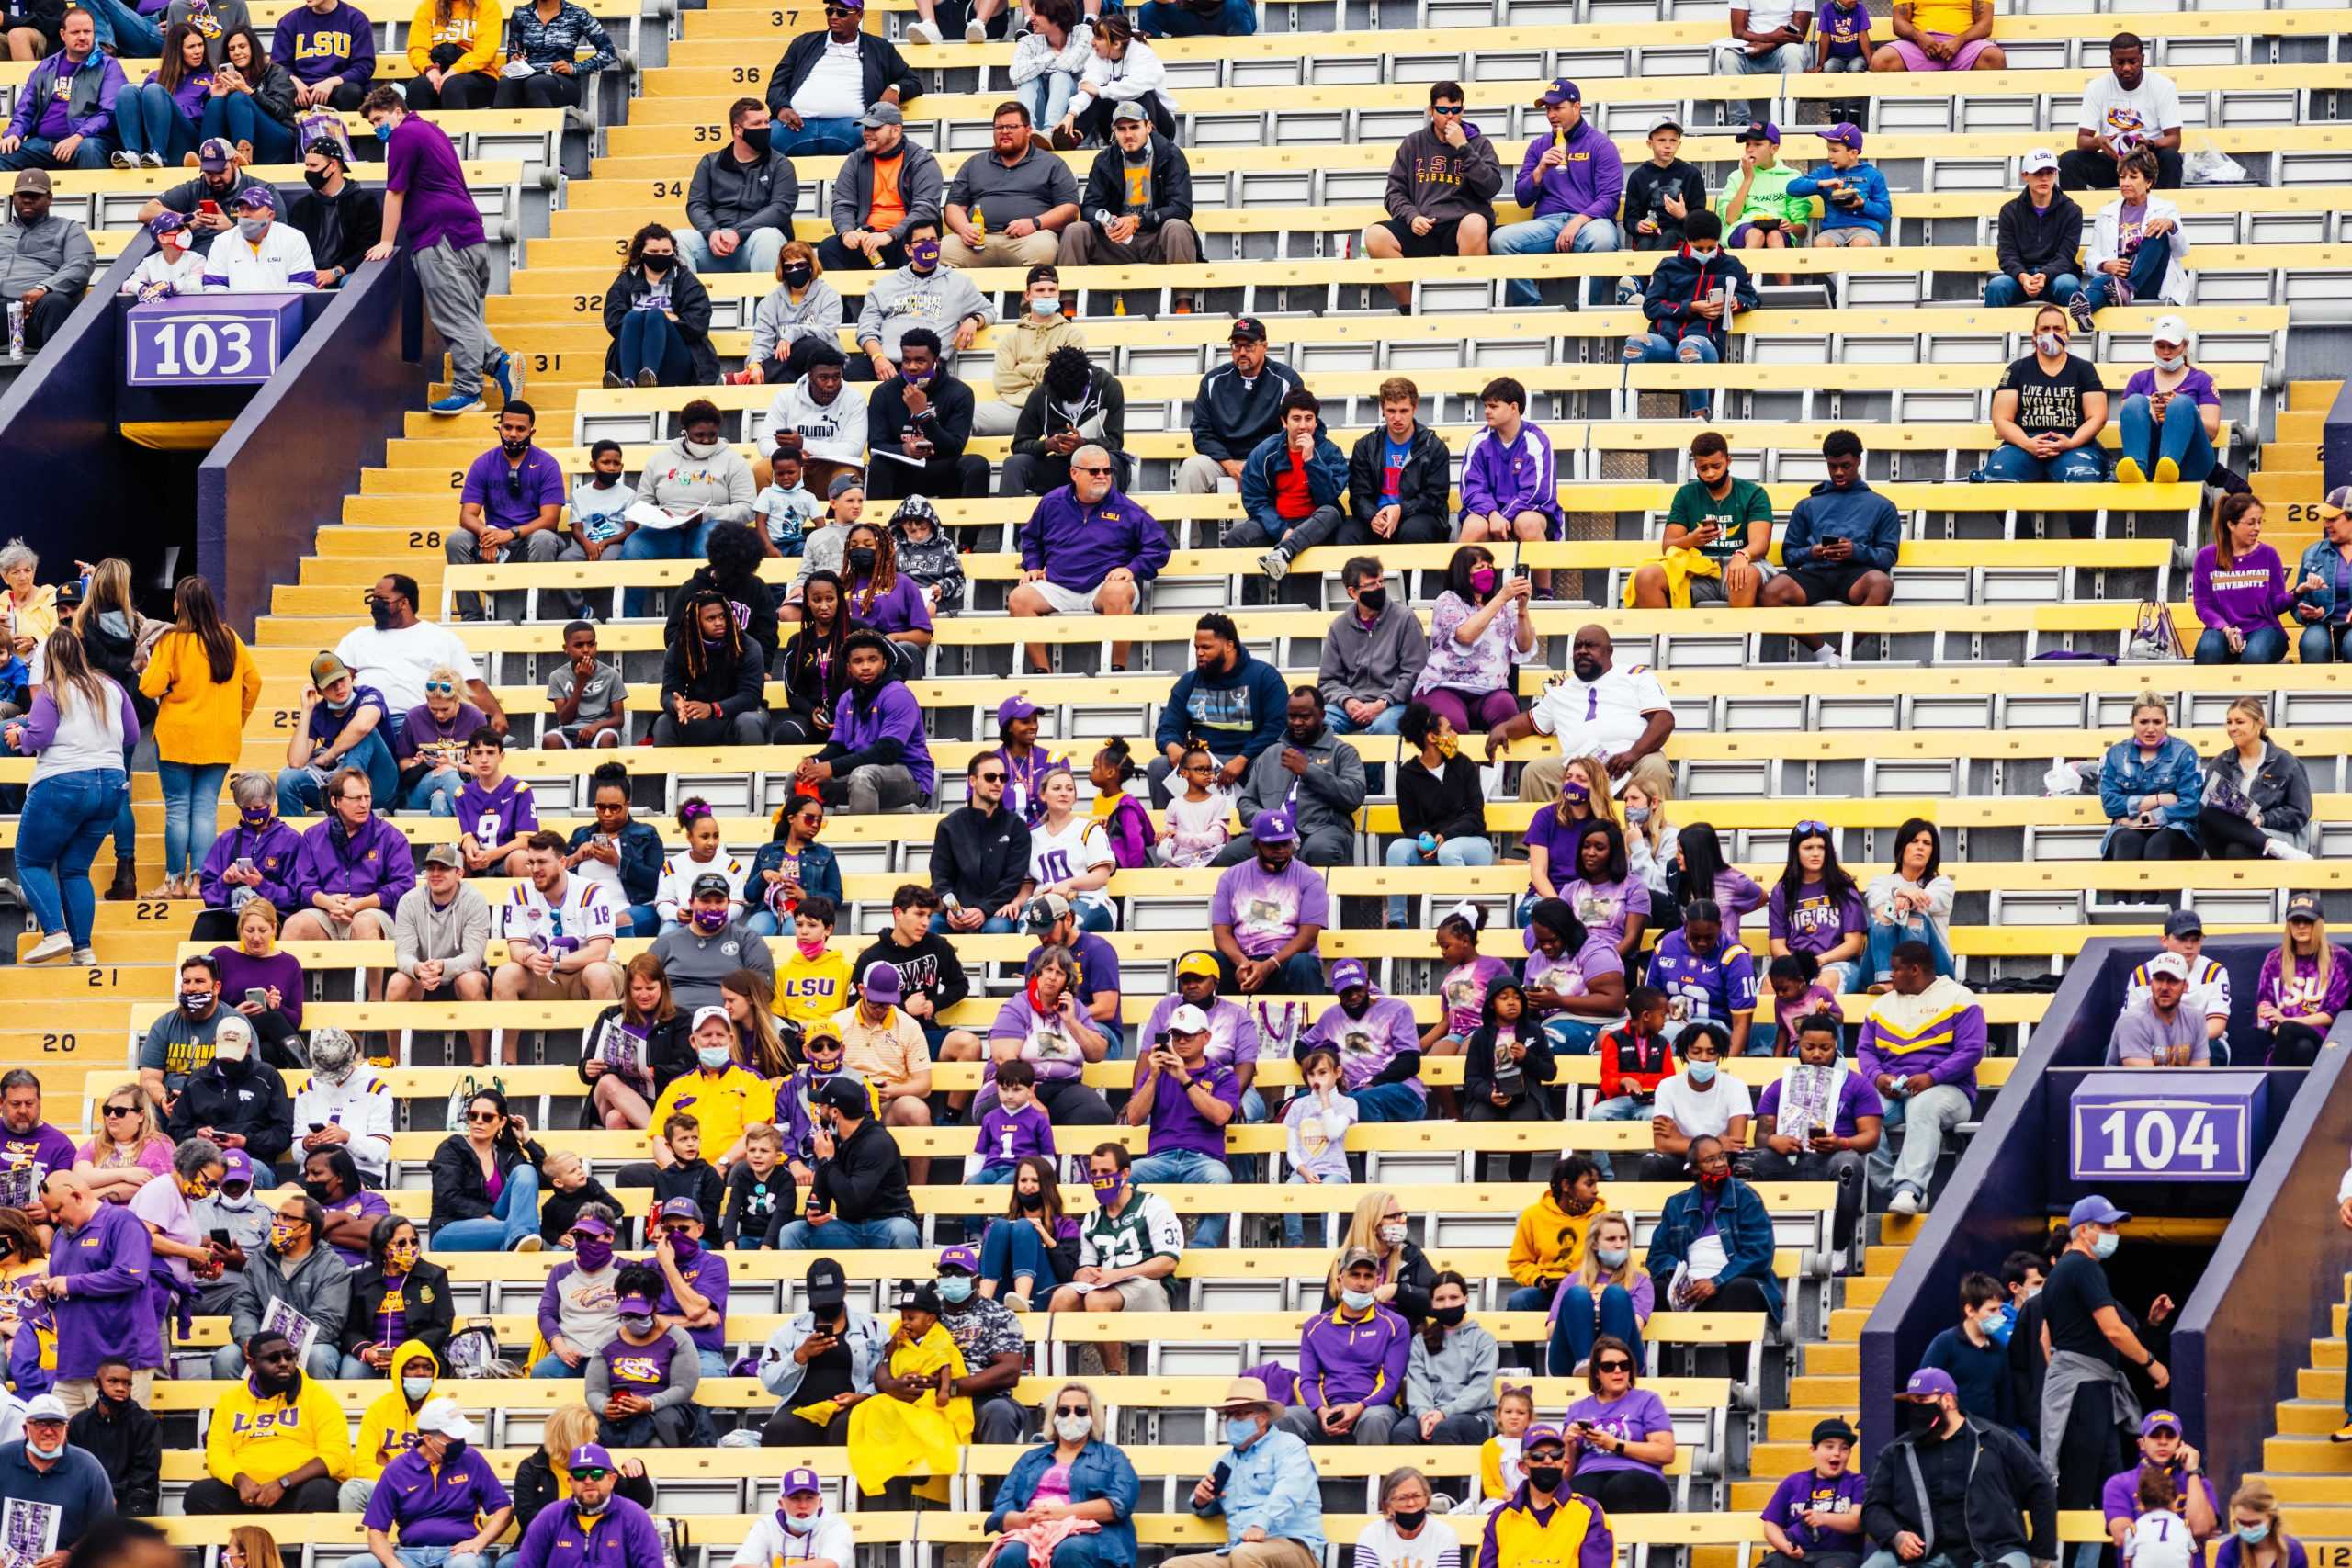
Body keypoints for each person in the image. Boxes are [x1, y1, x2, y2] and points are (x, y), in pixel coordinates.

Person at [361, 88, 520, 418]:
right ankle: (499, 363)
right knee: (466, 313)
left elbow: (395, 192)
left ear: (396, 110)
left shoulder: (404, 135)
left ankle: (467, 390)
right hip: (469, 235)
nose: (377, 127)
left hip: (440, 238)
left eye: (378, 119)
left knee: (454, 317)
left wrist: (387, 241)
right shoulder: (432, 129)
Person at [7, 630, 132, 966]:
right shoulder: (110, 686)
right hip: (111, 784)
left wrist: (22, 736)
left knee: (31, 862)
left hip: (62, 782)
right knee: (76, 870)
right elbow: (132, 734)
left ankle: (55, 933)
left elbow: (41, 735)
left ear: (48, 660)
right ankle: (82, 948)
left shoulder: (52, 690)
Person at [1863, 1368, 2055, 1568]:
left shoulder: (1996, 1440)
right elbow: (1872, 1506)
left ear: (1948, 1400)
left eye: (1921, 1400)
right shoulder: (1896, 1452)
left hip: (1992, 1553)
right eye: (1911, 1402)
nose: (1915, 1408)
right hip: (1922, 1556)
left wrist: (2041, 1552)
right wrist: (1896, 1535)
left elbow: (2041, 1487)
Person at [1012, 447, 1168, 674]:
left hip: (1102, 587)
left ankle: (1117, 669)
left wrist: (1132, 569)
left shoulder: (1126, 508)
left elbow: (1159, 546)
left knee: (1118, 591)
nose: (1102, 476)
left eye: (1107, 470)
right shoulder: (1052, 502)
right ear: (1075, 473)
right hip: (1058, 584)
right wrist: (1033, 566)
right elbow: (1031, 537)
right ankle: (1042, 672)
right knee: (1019, 598)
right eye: (1094, 471)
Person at [1860, 942, 1985, 1214]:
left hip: (1949, 1089)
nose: (1890, 976)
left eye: (1895, 969)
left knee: (1923, 1105)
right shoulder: (1881, 1006)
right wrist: (1878, 1077)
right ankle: (1893, 1186)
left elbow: (1972, 1050)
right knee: (1864, 1113)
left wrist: (1932, 1076)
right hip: (1895, 1089)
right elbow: (1865, 1051)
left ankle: (1910, 1189)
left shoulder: (1959, 998)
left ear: (1914, 970)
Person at [1759, 430, 1900, 662]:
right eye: (1833, 466)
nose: (1839, 472)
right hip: (1814, 573)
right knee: (1770, 593)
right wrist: (1811, 552)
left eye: (1846, 465)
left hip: (1856, 573)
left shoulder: (1882, 506)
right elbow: (1789, 554)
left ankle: (1841, 652)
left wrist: (1855, 550)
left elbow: (1888, 555)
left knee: (1882, 585)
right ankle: (1823, 651)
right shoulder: (1808, 505)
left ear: (1858, 461)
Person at [1362, 81, 1497, 314]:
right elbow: (1394, 192)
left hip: (1460, 225)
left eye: (1455, 111)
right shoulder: (1413, 143)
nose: (1450, 117)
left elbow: (1491, 186)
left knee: (1475, 223)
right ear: (1431, 111)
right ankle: (1411, 307)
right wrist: (1412, 217)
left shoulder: (1478, 144)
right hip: (1422, 225)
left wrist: (1463, 148)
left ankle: (1468, 306)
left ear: (1463, 111)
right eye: (1443, 111)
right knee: (1375, 235)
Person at [186, 1329, 351, 1514]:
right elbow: (217, 1454)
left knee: (322, 1492)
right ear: (253, 1364)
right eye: (273, 1359)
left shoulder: (318, 1396)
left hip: (296, 1489)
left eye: (289, 1357)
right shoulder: (229, 1401)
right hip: (246, 1493)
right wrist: (240, 1481)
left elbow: (337, 1456)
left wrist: (283, 1483)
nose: (284, 1363)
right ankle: (232, 1544)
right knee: (199, 1494)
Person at [33, 1173, 159, 1414]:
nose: (54, 1218)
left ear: (78, 1196)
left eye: (58, 1209)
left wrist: (71, 1284)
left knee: (116, 1444)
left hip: (119, 1361)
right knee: (61, 1444)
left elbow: (130, 1275)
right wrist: (48, 1291)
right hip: (73, 1362)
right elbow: (64, 1290)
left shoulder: (123, 1222)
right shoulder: (61, 1236)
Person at [1160, 1378, 1319, 1568]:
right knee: (1174, 1566)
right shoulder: (1224, 1462)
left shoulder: (1289, 1446)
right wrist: (1201, 1501)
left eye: (1241, 1414)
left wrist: (1262, 1523)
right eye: (1229, 1415)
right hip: (1239, 1551)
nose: (1232, 1421)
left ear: (1263, 1417)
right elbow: (1206, 1505)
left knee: (1245, 1555)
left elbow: (1291, 1489)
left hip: (1294, 1547)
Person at [1491, 78, 1622, 310]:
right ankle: (1533, 308)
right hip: (1548, 224)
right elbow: (1522, 198)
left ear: (1577, 107)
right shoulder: (1539, 146)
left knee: (1603, 240)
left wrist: (1577, 222)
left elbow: (1609, 199)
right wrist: (1539, 171)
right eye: (1548, 109)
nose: (1552, 115)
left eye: (1558, 108)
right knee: (1500, 240)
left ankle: (1584, 308)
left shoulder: (1600, 144)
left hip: (1589, 223)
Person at [1754, 1011, 1881, 1247]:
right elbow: (1760, 1137)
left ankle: (1839, 1245)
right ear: (1798, 1046)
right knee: (1761, 1161)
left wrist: (1842, 1143)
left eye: (1825, 1048)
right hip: (1789, 1160)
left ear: (1836, 1046)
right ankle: (1765, 1242)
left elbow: (1871, 1137)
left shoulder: (1857, 1084)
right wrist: (1774, 1141)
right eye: (1809, 1047)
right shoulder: (1779, 1086)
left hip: (1831, 1160)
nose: (1816, 1054)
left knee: (1849, 1165)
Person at [984, 1381, 1139, 1568]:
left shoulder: (1112, 1456)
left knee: (1071, 1550)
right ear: (1053, 1416)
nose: (1072, 1416)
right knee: (1011, 1554)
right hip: (1033, 1531)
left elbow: (1120, 1504)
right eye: (1064, 1411)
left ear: (1093, 1416)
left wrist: (1062, 1514)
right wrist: (1026, 1519)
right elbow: (1001, 1511)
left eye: (1081, 1410)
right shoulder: (1030, 1459)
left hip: (1092, 1536)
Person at [347, 1396, 511, 1568]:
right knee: (355, 1565)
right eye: (453, 1438)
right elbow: (376, 1531)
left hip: (458, 1553)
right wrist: (393, 1564)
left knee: (464, 1565)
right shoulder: (396, 1469)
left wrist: (478, 1542)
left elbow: (504, 1509)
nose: (460, 1442)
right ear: (428, 1440)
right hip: (408, 1554)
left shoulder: (472, 1459)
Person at [1210, 687, 1364, 869]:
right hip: (1270, 833)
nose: (1297, 722)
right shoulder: (1271, 754)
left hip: (1320, 830)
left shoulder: (1342, 752)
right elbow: (1246, 802)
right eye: (1292, 716)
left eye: (1305, 717)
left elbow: (1354, 795)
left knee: (1321, 850)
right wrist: (1267, 820)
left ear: (1322, 715)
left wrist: (1308, 771)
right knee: (1229, 856)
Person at [1623, 210, 1755, 418]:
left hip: (1706, 342)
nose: (1705, 252)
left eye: (1711, 248)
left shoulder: (1731, 265)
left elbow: (1753, 298)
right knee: (1634, 345)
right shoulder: (1668, 266)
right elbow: (1651, 306)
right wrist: (1691, 307)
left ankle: (1700, 417)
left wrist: (1738, 303)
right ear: (1687, 241)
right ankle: (1626, 415)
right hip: (1667, 340)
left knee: (1688, 348)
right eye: (1699, 248)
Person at [445, 402, 566, 619]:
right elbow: (467, 515)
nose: (513, 434)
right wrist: (487, 534)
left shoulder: (547, 464)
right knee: (456, 540)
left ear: (532, 432)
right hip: (495, 541)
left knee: (544, 539)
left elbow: (550, 519)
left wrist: (510, 533)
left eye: (521, 429)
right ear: (499, 428)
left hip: (530, 542)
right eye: (508, 427)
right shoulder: (483, 463)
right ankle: (471, 616)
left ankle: (536, 615)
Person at [1629, 431, 1773, 610]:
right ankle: (1671, 637)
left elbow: (1760, 543)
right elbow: (1668, 546)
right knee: (1646, 577)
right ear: (1695, 466)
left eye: (1716, 466)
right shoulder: (1686, 494)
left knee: (1744, 575)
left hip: (1741, 564)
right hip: (1698, 568)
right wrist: (1691, 540)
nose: (1710, 473)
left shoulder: (1753, 493)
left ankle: (1736, 637)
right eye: (1703, 468)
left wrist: (1742, 555)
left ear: (1728, 461)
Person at [1646, 1134, 1781, 1321]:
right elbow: (1657, 1254)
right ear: (1694, 1169)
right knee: (1654, 1289)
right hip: (1689, 1289)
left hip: (1729, 1283)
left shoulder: (1747, 1197)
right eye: (1710, 1160)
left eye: (1722, 1156)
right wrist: (1679, 1279)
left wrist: (1716, 1281)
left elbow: (1759, 1252)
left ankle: (1741, 1352)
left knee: (1742, 1288)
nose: (1720, 1164)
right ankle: (1658, 1352)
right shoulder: (1676, 1204)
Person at [752, 1255, 884, 1445]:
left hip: (853, 1407)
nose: (827, 1305)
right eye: (821, 1300)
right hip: (802, 1409)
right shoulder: (791, 1330)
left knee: (848, 1426)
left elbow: (887, 1374)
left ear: (845, 1290)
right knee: (778, 1429)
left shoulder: (872, 1328)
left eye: (831, 1299)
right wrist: (800, 1356)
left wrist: (863, 1396)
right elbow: (771, 1384)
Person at [778, 1074, 921, 1250]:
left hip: (887, 1223)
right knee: (792, 1232)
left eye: (821, 1106)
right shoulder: (831, 1141)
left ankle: (906, 1279)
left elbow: (853, 1201)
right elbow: (819, 1196)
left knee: (904, 1231)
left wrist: (827, 1160)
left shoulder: (877, 1143)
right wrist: (813, 1213)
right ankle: (802, 1278)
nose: (818, 1111)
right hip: (848, 1227)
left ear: (835, 1112)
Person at [798, 630, 934, 812]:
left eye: (872, 660)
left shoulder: (897, 694)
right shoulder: (846, 699)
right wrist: (814, 761)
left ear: (884, 663)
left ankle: (863, 840)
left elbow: (887, 751)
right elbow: (837, 746)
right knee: (799, 778)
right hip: (861, 773)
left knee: (863, 777)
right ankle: (802, 840)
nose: (865, 667)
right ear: (848, 667)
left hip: (911, 777)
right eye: (858, 661)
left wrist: (832, 767)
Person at [763, 0, 917, 160]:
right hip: (797, 127)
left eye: (842, 13)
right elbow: (777, 84)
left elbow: (912, 81)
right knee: (763, 136)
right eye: (830, 12)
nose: (833, 17)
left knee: (877, 135)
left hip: (850, 128)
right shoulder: (804, 43)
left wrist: (894, 88)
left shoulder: (879, 48)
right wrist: (782, 108)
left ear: (859, 15)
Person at [1413, 545, 1535, 740]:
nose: (1487, 572)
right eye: (1479, 568)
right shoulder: (1448, 600)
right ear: (1463, 572)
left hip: (1489, 689)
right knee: (1454, 723)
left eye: (1489, 566)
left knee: (1507, 712)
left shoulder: (1503, 608)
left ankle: (1495, 770)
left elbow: (1524, 646)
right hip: (1445, 686)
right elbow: (1465, 635)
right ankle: (1460, 771)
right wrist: (1502, 597)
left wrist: (1522, 609)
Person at [1062, 99, 1198, 273]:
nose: (1128, 134)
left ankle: (1183, 300)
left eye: (1134, 127)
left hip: (1156, 238)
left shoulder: (1170, 155)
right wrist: (1105, 224)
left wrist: (1138, 221)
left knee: (1178, 228)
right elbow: (1089, 207)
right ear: (1114, 132)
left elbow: (1181, 208)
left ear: (1148, 127)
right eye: (1121, 129)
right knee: (1075, 230)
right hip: (1116, 241)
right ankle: (1067, 300)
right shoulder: (1105, 160)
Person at [939, 101, 1079, 269]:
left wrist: (1035, 223)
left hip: (1029, 239)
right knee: (944, 249)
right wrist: (964, 228)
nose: (1004, 132)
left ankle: (1028, 295)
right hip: (978, 240)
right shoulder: (974, 164)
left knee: (1043, 249)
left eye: (1012, 126)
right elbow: (953, 206)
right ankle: (964, 296)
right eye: (999, 127)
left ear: (1028, 131)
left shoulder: (1052, 163)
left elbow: (1070, 208)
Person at [1178, 317, 1306, 495]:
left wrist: (1256, 462)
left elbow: (1295, 429)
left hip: (1268, 459)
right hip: (1223, 460)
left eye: (1249, 346)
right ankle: (1187, 524)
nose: (1242, 352)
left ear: (1265, 346)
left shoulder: (1286, 380)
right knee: (1192, 469)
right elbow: (1201, 430)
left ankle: (1280, 524)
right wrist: (1230, 464)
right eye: (1236, 346)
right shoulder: (1213, 380)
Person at [1458, 378, 1563, 587]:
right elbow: (1471, 489)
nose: (1487, 411)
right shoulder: (1479, 441)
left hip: (1531, 512)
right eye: (1486, 406)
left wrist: (1503, 517)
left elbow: (1537, 493)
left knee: (1528, 523)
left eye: (1494, 406)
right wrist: (1492, 514)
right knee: (1473, 526)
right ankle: (1459, 594)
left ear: (1514, 407)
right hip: (1489, 514)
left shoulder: (1536, 440)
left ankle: (1543, 592)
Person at [1987, 303, 2109, 483]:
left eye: (2058, 328)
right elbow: (2001, 419)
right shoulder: (2017, 369)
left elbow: (2098, 417)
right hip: (2024, 442)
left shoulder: (2083, 369)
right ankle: (2019, 513)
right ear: (2034, 337)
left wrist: (2072, 443)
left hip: (2072, 442)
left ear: (2067, 335)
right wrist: (2027, 444)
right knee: (1999, 473)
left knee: (2083, 475)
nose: (2052, 333)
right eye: (2045, 328)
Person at [865, 330, 989, 501]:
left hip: (941, 467)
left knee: (977, 464)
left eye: (920, 361)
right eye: (906, 360)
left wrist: (923, 415)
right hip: (902, 468)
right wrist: (904, 449)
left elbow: (955, 448)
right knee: (878, 465)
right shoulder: (884, 392)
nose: (912, 367)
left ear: (936, 360)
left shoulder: (959, 392)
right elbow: (876, 446)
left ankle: (968, 527)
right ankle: (878, 526)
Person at [854, 223, 988, 380]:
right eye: (922, 241)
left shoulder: (959, 283)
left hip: (928, 366)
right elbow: (866, 328)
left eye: (933, 239)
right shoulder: (886, 284)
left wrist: (974, 320)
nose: (929, 245)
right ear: (908, 250)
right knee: (852, 373)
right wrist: (878, 358)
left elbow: (988, 310)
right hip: (888, 363)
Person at [2075, 147, 2190, 323]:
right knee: (2102, 283)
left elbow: (2182, 250)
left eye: (2133, 177)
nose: (2125, 182)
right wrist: (2105, 264)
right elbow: (2091, 257)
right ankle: (2085, 313)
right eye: (2122, 177)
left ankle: (2127, 288)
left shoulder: (2166, 208)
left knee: (2156, 231)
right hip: (2116, 281)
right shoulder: (2106, 212)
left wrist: (2171, 225)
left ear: (2149, 182)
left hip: (2150, 281)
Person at [930, 1244, 1031, 1445]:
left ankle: (996, 1477)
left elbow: (1009, 1371)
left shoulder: (998, 1314)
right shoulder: (928, 1315)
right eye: (946, 1273)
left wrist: (952, 1387)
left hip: (984, 1400)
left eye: (960, 1273)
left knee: (1000, 1412)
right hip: (933, 1399)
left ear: (976, 1279)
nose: (952, 1279)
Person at [1561, 1334, 1674, 1514]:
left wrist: (1615, 1445)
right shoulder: (1578, 1408)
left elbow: (1666, 1452)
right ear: (1597, 1372)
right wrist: (1568, 1442)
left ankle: (1625, 1543)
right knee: (1578, 1495)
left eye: (1624, 1365)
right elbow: (1566, 1474)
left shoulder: (1647, 1400)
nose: (1618, 1371)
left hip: (1640, 1476)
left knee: (1619, 1488)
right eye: (1608, 1367)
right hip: (1590, 1474)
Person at [1479, 1424, 1613, 1568]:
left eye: (1556, 1455)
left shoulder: (1590, 1512)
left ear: (1565, 1463)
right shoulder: (1501, 1517)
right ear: (1523, 1467)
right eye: (1538, 1456)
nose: (1548, 1461)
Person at [0, 14, 120, 173]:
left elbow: (109, 112)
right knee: (5, 154)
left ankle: (87, 196)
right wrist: (14, 133)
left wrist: (79, 137)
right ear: (63, 35)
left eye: (87, 31)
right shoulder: (46, 67)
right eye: (76, 32)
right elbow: (26, 108)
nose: (82, 37)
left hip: (88, 141)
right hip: (43, 143)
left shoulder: (108, 66)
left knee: (89, 149)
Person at [2062, 34, 2183, 191]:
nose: (2126, 67)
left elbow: (2175, 140)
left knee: (2171, 158)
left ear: (2142, 59)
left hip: (2148, 160)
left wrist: (2150, 144)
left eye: (2133, 61)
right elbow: (2082, 141)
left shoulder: (2163, 86)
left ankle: (2163, 213)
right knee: (2069, 160)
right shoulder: (2096, 87)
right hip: (2113, 161)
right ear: (2111, 60)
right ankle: (2074, 213)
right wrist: (2099, 142)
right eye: (2120, 62)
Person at [428, 1089, 544, 1252]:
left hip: (497, 1224)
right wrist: (485, 1216)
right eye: (473, 1115)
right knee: (524, 1232)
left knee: (526, 1171)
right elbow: (447, 1196)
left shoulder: (506, 1154)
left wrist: (528, 1142)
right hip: (450, 1228)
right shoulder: (452, 1148)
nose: (479, 1121)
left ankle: (515, 1242)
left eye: (487, 1117)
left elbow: (546, 1179)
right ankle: (518, 1239)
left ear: (502, 1122)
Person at [602, 225, 716, 389]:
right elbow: (613, 321)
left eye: (665, 251)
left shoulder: (685, 280)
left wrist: (669, 321)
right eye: (654, 252)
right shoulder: (626, 280)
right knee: (632, 317)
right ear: (642, 253)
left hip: (676, 358)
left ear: (673, 252)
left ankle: (649, 374)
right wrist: (645, 321)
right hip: (635, 357)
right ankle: (628, 381)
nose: (660, 255)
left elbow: (698, 323)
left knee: (655, 316)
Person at [1343, 378, 1451, 548]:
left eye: (1404, 410)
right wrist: (1372, 516)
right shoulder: (1366, 446)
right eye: (1391, 411)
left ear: (1415, 408)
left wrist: (1401, 509)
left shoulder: (1434, 447)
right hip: (1377, 517)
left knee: (1413, 531)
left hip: (1417, 516)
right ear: (1382, 409)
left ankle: (1413, 577)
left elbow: (1435, 498)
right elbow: (1358, 495)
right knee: (1348, 534)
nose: (1397, 418)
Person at [343, 1216, 449, 1381]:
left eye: (413, 1241)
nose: (410, 1248)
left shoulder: (434, 1276)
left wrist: (405, 1352)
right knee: (352, 1373)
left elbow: (441, 1325)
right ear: (383, 1248)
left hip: (417, 1355)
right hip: (372, 1357)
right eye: (401, 1243)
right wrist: (367, 1351)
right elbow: (350, 1329)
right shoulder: (361, 1279)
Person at [2100, 691, 2201, 861]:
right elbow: (2110, 805)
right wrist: (2157, 799)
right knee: (2127, 843)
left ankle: (2155, 889)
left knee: (2158, 845)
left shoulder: (2184, 752)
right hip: (2127, 829)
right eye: (2143, 722)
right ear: (2132, 721)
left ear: (2167, 722)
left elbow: (2190, 805)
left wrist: (2147, 818)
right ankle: (2121, 888)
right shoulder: (2116, 754)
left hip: (2176, 828)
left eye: (2157, 722)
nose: (2150, 729)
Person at [0, 1393, 112, 1546]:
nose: (48, 1431)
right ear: (26, 1429)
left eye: (56, 1424)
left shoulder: (90, 1469)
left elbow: (106, 1530)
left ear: (66, 1429)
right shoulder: (3, 1458)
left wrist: (71, 1554)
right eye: (40, 1424)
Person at [1055, 13, 1177, 146]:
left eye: (1099, 38)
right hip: (1118, 128)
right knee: (1098, 95)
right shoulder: (1098, 56)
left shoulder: (1142, 53)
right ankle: (1072, 136)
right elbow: (1088, 86)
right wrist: (1072, 113)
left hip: (1160, 126)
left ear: (1116, 44)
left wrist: (1101, 90)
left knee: (1140, 93)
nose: (1092, 42)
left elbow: (1136, 87)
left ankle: (1148, 138)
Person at [1407, 1270, 1498, 1446]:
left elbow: (1480, 1388)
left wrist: (1444, 1413)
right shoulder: (1420, 1341)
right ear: (1432, 1303)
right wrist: (1425, 1415)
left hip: (1475, 1415)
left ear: (1466, 1299)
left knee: (1446, 1428)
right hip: (1430, 1413)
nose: (1448, 1304)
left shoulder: (1484, 1340)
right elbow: (1417, 1383)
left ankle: (1450, 1475)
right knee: (1403, 1432)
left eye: (1454, 1297)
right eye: (1440, 1299)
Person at [1758, 1418, 1866, 1568]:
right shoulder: (1793, 1482)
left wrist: (1824, 1518)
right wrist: (1786, 1547)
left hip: (1839, 1556)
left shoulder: (1857, 1483)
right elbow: (1771, 1524)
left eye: (1844, 1448)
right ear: (1813, 1450)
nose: (1837, 1453)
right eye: (1829, 1446)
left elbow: (1857, 1522)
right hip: (1796, 1555)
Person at [1987, 149, 2085, 308]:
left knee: (2068, 285)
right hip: (2020, 278)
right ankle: (1994, 332)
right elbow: (2007, 254)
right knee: (1997, 287)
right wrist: (2023, 277)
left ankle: (2071, 332)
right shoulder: (2009, 211)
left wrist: (2045, 275)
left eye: (2049, 172)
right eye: (2038, 173)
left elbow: (2066, 256)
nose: (2044, 178)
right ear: (2025, 175)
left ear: (2055, 174)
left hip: (2056, 277)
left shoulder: (2072, 211)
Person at [1862, 819, 1954, 987]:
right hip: (1877, 970)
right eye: (1914, 841)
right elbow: (1878, 906)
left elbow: (1925, 901)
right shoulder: (1879, 883)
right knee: (1881, 918)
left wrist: (1905, 900)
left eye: (1926, 843)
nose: (1920, 847)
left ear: (1932, 852)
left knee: (1915, 918)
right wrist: (1898, 893)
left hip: (1935, 971)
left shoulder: (1942, 884)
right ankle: (1887, 979)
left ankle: (1910, 981)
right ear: (1902, 847)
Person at [2257, 895, 2346, 1067]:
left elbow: (2332, 1014)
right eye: (2295, 921)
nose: (2301, 926)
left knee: (2291, 1030)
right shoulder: (2275, 959)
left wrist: (2286, 1022)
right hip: (2284, 1038)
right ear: (2289, 925)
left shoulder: (2339, 958)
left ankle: (2275, 1088)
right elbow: (2264, 1010)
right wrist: (2280, 1027)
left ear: (2319, 924)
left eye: (2308, 921)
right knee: (2302, 1047)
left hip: (2326, 1040)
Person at [1920, 1270, 2016, 1427]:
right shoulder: (1944, 1344)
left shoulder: (1999, 1350)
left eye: (2000, 1309)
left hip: (1987, 1437)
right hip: (1949, 1437)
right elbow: (1925, 1392)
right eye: (1992, 1310)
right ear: (1970, 1310)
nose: (2000, 1316)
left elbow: (2005, 1402)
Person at [111, 24, 212, 171]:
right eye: (191, 47)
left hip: (186, 144)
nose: (198, 51)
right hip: (152, 139)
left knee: (154, 90)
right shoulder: (156, 77)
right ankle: (133, 153)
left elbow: (206, 119)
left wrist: (169, 106)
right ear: (177, 50)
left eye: (200, 45)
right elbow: (145, 113)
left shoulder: (210, 79)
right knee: (127, 90)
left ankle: (157, 153)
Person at [63, 1363, 157, 1517]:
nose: (121, 1388)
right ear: (96, 1382)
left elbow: (145, 1474)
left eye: (127, 1383)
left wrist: (114, 1494)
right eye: (113, 1381)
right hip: (91, 1496)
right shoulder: (79, 1423)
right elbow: (76, 1469)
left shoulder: (145, 1422)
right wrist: (102, 1496)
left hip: (133, 1497)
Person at [286, 141, 382, 289]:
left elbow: (369, 248)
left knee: (351, 283)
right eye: (307, 166)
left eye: (313, 166)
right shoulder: (302, 206)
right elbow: (293, 248)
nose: (308, 172)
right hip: (310, 274)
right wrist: (310, 276)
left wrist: (336, 271)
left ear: (333, 165)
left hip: (346, 273)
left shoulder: (363, 201)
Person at [1720, 121, 1809, 276]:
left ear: (1774, 149)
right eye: (1747, 144)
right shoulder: (1737, 176)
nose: (1750, 149)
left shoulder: (1792, 177)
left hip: (1779, 234)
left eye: (1757, 144)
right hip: (1743, 230)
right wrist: (1748, 179)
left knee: (1774, 236)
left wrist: (1791, 227)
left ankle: (1786, 294)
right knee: (1756, 234)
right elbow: (1730, 218)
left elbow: (1802, 230)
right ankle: (1741, 290)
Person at [1008, 0, 1090, 143]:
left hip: (1073, 116)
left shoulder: (1083, 33)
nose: (1031, 18)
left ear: (1057, 16)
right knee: (1027, 82)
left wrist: (1035, 67)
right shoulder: (1028, 42)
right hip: (1040, 109)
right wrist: (1052, 55)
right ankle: (1028, 132)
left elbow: (1068, 65)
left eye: (1037, 13)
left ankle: (1051, 132)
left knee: (1060, 76)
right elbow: (1015, 75)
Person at [276, 0, 376, 114]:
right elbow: (279, 65)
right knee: (280, 92)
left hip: (337, 89)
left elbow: (364, 66)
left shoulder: (356, 19)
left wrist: (331, 82)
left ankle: (348, 131)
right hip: (301, 92)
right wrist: (294, 83)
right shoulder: (289, 21)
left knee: (351, 91)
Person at [2296, 489, 2352, 664]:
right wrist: (2306, 613)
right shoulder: (2313, 553)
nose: (2326, 524)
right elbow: (2298, 602)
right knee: (2313, 644)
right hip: (2323, 624)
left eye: (2333, 519)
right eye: (2325, 519)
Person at [1868, 0, 2001, 71]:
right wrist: (1919, 37)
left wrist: (1959, 41)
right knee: (1881, 61)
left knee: (1994, 58)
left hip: (1964, 46)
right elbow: (1899, 22)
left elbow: (1985, 24)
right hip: (1920, 45)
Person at [2214, 1482, 2302, 1568]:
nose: (2247, 1529)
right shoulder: (2228, 1550)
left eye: (2254, 1523)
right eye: (2241, 1522)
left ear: (2271, 1519)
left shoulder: (2293, 1552)